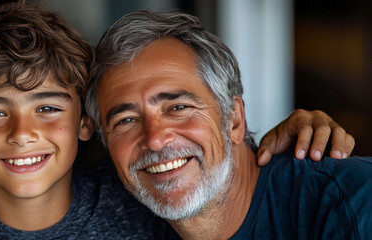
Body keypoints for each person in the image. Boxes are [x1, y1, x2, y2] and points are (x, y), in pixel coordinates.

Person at [0, 2, 354, 239]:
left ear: (84, 123)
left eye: (49, 107)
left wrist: (284, 142)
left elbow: (218, 178)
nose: (24, 133)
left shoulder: (144, 201)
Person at [85, 10, 370, 239]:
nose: (156, 139)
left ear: (233, 118)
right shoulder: (117, 215)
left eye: (178, 107)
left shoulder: (352, 202)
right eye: (126, 120)